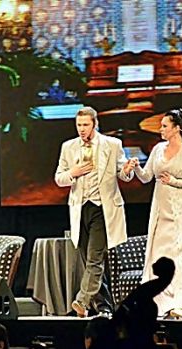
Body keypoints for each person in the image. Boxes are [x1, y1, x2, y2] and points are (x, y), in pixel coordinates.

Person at [54, 106, 135, 317]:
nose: (81, 129)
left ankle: (82, 301)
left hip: (102, 208)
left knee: (94, 258)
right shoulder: (68, 147)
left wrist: (127, 170)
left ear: (94, 124)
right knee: (90, 263)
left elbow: (122, 173)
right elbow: (59, 178)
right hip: (80, 209)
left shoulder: (112, 144)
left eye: (85, 125)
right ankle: (104, 307)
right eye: (79, 125)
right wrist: (73, 172)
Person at [129, 108, 182, 319]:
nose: (161, 130)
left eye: (164, 126)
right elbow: (146, 177)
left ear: (177, 128)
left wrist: (175, 181)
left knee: (181, 257)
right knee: (159, 255)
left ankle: (179, 305)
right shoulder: (158, 149)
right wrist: (136, 167)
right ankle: (156, 304)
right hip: (161, 210)